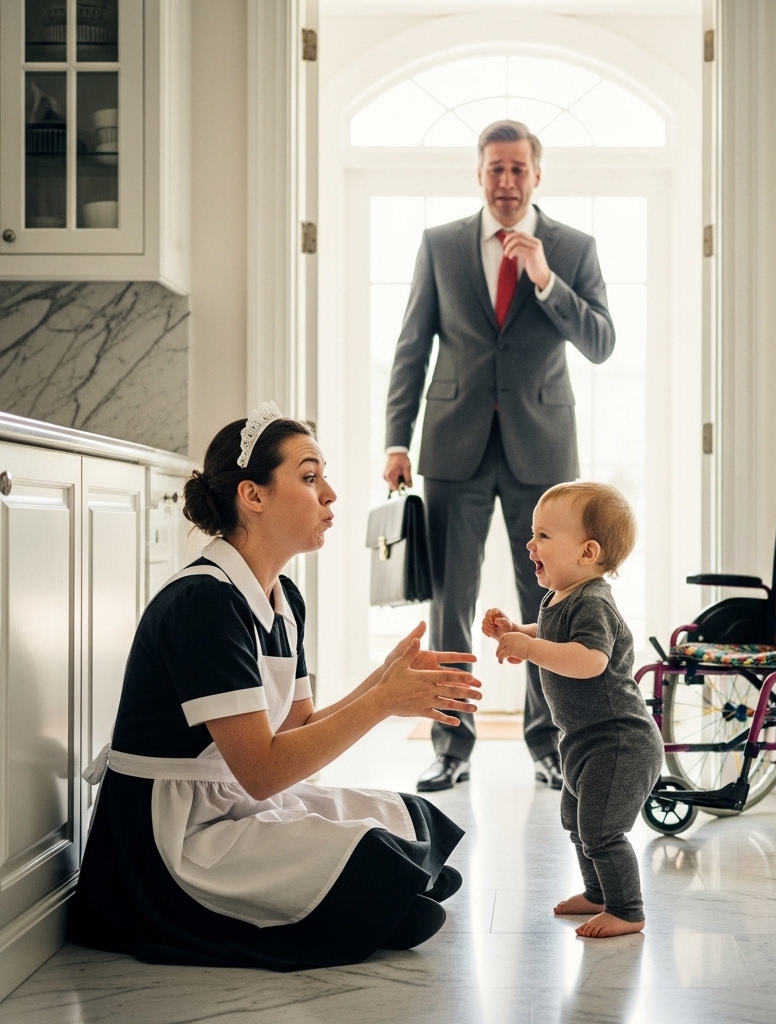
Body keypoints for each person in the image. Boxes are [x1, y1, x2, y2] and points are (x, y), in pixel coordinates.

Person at [69, 404, 482, 969]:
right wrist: (384, 702)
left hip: (231, 801)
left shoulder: (284, 599)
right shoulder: (204, 603)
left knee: (405, 818)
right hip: (167, 835)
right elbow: (265, 772)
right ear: (253, 495)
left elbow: (297, 736)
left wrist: (382, 683)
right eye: (310, 477)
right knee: (387, 874)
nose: (330, 494)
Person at [384, 119, 615, 794]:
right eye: (495, 169)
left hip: (540, 452)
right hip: (452, 445)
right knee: (450, 603)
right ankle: (450, 746)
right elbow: (411, 348)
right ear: (479, 174)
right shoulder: (441, 245)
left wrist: (545, 279)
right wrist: (397, 439)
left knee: (547, 606)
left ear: (537, 175)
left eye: (518, 169)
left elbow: (600, 341)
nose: (507, 182)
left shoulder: (573, 248)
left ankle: (548, 744)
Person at [482, 482, 663, 938]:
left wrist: (531, 647)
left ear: (587, 552)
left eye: (543, 536)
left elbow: (589, 659)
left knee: (602, 829)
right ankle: (597, 892)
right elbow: (550, 633)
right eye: (532, 534)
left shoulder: (594, 601)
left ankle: (627, 909)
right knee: (577, 822)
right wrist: (516, 631)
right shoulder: (559, 597)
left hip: (620, 740)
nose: (530, 545)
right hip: (584, 738)